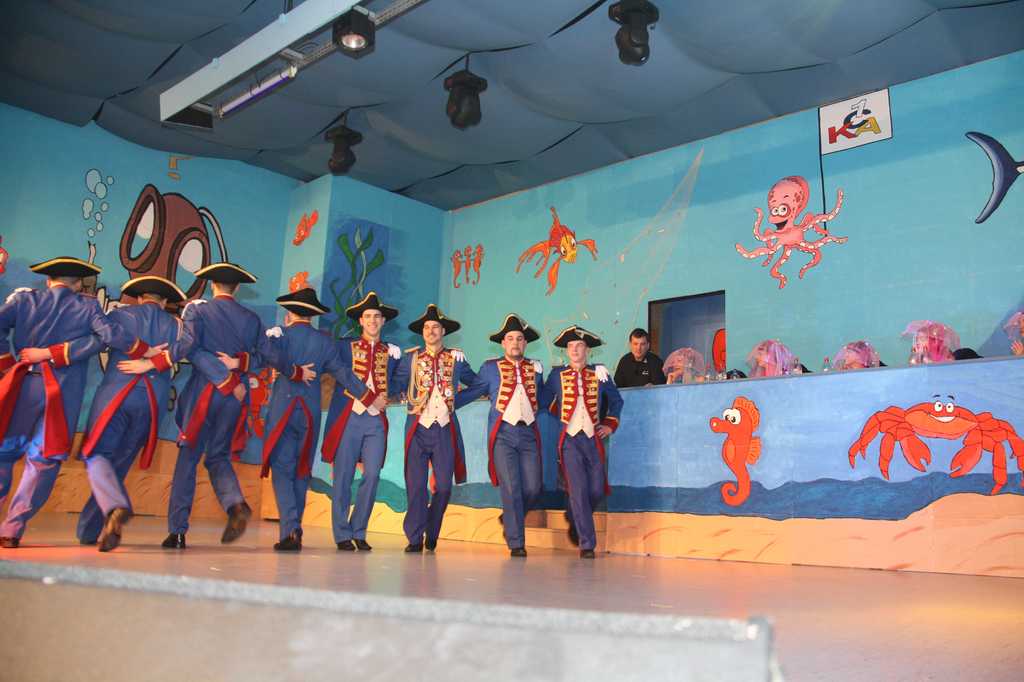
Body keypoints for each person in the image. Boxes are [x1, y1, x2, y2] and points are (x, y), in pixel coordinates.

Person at [0, 256, 159, 548]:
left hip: (22, 385)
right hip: (62, 393)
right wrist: (144, 350)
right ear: (78, 285)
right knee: (43, 459)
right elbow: (107, 336)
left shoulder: (24, 299)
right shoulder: (88, 307)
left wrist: (7, 360)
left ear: (48, 280)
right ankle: (11, 529)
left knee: (3, 451)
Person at [257, 288, 382, 551]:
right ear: (312, 315)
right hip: (310, 414)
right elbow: (343, 373)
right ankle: (294, 527)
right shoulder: (324, 342)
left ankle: (290, 528)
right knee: (302, 469)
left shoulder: (281, 335)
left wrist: (279, 355)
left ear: (290, 312)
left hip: (283, 410)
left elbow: (263, 356)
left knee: (282, 469)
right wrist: (368, 396)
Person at [76, 276, 192, 552]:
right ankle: (90, 529)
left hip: (116, 396)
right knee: (117, 466)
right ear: (164, 302)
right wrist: (154, 361)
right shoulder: (177, 325)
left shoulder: (120, 315)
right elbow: (189, 347)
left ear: (139, 298)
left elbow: (101, 338)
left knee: (96, 455)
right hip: (151, 402)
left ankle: (115, 506)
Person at [164, 262, 262, 550]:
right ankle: (235, 504)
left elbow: (190, 349)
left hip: (205, 393)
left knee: (188, 459)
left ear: (211, 285)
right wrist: (239, 364)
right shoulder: (251, 318)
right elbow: (266, 356)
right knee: (218, 456)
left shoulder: (197, 311)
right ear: (238, 288)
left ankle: (177, 531)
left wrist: (224, 379)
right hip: (234, 398)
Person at [320, 291, 403, 552]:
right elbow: (334, 366)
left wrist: (390, 393)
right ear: (360, 321)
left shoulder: (391, 351)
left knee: (372, 474)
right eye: (368, 316)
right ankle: (342, 533)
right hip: (349, 417)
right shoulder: (345, 346)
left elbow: (400, 380)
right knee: (343, 476)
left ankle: (359, 530)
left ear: (383, 321)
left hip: (375, 421)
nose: (372, 320)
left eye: (377, 316)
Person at [458, 314, 545, 557]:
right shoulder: (490, 368)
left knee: (534, 487)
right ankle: (516, 543)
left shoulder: (535, 368)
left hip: (528, 434)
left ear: (525, 343)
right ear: (503, 343)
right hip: (503, 435)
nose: (515, 342)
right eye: (511, 339)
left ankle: (509, 518)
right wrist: (448, 401)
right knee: (512, 487)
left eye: (519, 339)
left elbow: (545, 396)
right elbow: (474, 390)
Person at [395, 304, 477, 553]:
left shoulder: (456, 359)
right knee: (416, 487)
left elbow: (478, 384)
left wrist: (456, 401)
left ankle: (432, 530)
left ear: (443, 331)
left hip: (443, 429)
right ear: (422, 332)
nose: (431, 331)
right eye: (427, 327)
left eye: (435, 327)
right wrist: (388, 356)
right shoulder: (411, 359)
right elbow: (393, 384)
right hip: (417, 429)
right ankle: (414, 537)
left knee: (443, 487)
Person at [541, 326, 623, 559]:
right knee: (577, 490)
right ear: (566, 351)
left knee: (596, 489)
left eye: (579, 346)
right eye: (571, 346)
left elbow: (616, 402)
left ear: (588, 350)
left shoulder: (600, 373)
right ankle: (587, 544)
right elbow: (543, 400)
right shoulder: (556, 375)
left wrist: (610, 424)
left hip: (592, 438)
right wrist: (537, 375)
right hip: (569, 441)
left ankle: (574, 514)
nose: (575, 350)